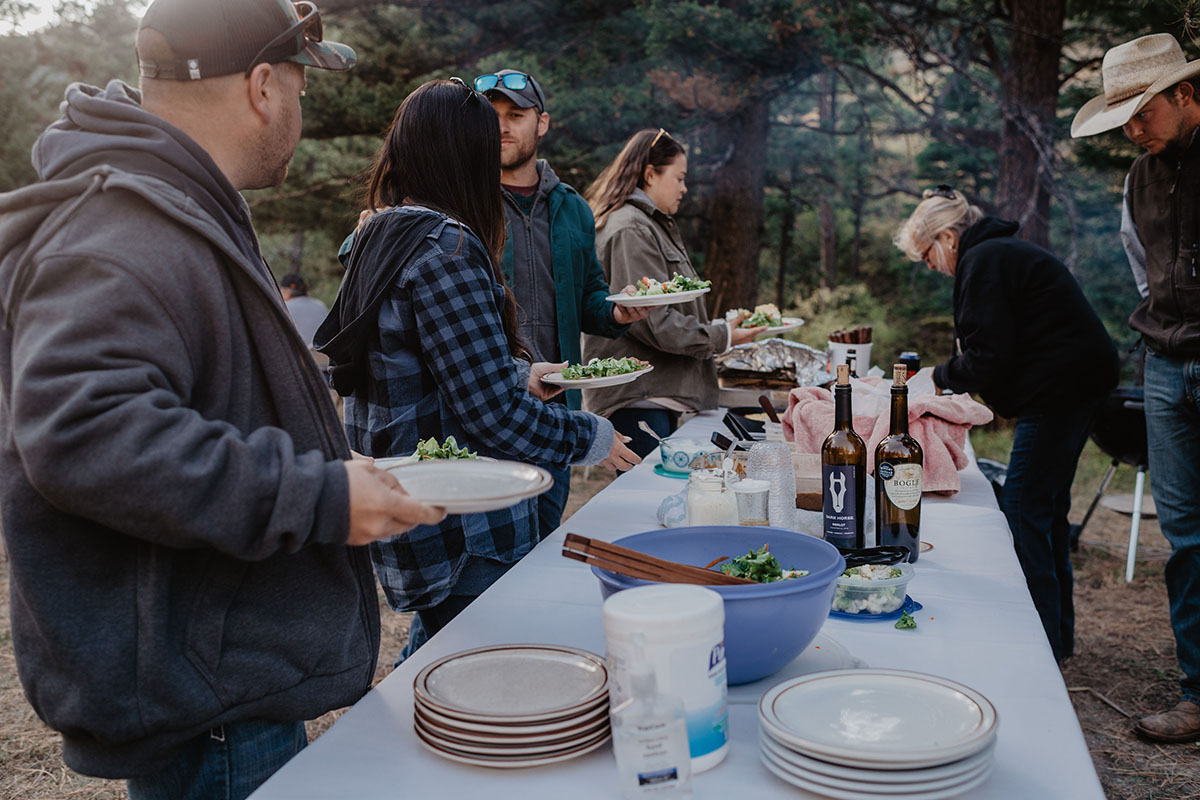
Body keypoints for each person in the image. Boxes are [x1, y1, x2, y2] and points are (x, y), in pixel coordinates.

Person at [0, 1, 446, 798]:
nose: (302, 113)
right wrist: (317, 495)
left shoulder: (172, 204)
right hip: (209, 713)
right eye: (304, 90)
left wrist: (336, 468)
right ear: (264, 86)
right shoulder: (121, 231)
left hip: (221, 688)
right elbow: (85, 434)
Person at [315, 79, 640, 663]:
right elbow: (494, 417)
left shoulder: (381, 234)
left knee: (441, 656)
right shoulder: (446, 249)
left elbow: (421, 364)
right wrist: (593, 435)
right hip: (465, 526)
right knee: (485, 672)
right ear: (462, 152)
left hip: (416, 507)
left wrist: (521, 372)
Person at [893, 186, 1118, 665]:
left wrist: (935, 378)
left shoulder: (986, 260)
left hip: (1061, 393)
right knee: (1047, 513)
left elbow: (988, 357)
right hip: (1078, 384)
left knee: (1021, 512)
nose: (929, 267)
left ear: (948, 237)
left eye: (927, 255)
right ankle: (1057, 640)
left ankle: (1037, 648)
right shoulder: (998, 254)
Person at [1070, 32, 1200, 743]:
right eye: (1122, 115)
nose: (1132, 128)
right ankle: (1197, 693)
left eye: (1142, 111)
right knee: (1186, 539)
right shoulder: (1138, 178)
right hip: (1165, 368)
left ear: (1184, 94)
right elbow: (1140, 265)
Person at [474, 68, 650, 536]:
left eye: (515, 114)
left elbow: (590, 295)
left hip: (557, 415)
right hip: (487, 413)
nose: (502, 126)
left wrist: (616, 310)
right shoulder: (463, 203)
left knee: (540, 548)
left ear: (542, 122)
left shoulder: (572, 208)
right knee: (478, 567)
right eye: (490, 116)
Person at [580, 128, 764, 457]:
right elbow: (649, 319)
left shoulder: (648, 224)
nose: (685, 188)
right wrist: (722, 336)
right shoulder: (631, 228)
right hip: (636, 401)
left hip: (652, 398)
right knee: (642, 506)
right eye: (679, 178)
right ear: (650, 174)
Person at [280, 272, 329, 347]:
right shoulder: (320, 305)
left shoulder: (285, 308)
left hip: (301, 356)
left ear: (287, 291)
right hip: (323, 356)